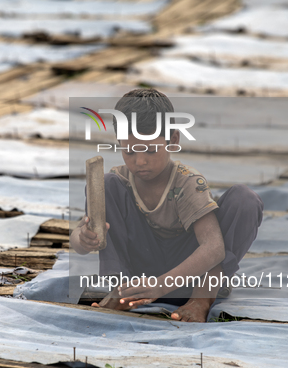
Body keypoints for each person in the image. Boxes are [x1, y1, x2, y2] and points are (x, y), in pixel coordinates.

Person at [70, 88, 264, 322]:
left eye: (151, 150)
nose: (140, 161)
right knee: (106, 184)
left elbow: (214, 248)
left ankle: (200, 301)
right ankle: (122, 293)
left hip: (192, 278)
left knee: (245, 199)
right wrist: (82, 238)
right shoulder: (119, 181)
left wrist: (162, 285)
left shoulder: (188, 183)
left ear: (172, 141)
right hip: (141, 279)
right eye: (130, 151)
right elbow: (80, 239)